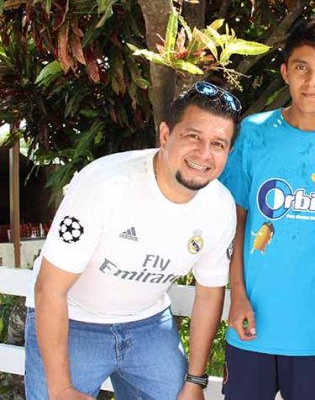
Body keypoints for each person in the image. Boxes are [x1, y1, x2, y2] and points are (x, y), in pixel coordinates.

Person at [24, 82, 242, 400]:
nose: (204, 154)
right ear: (165, 135)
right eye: (193, 136)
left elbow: (209, 294)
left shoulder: (220, 207)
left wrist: (195, 381)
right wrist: (60, 388)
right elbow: (50, 288)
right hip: (73, 319)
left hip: (149, 324)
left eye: (218, 144)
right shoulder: (106, 184)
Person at [220, 19, 315, 399]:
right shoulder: (253, 132)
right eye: (302, 68)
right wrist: (236, 294)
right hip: (250, 323)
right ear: (285, 71)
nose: (312, 81)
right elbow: (234, 225)